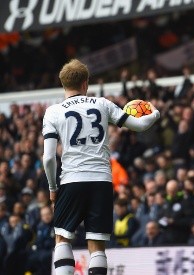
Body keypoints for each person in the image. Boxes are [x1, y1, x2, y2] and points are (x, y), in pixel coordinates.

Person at [42, 59, 160, 275]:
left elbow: (49, 157)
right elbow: (141, 125)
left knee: (62, 238)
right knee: (97, 247)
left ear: (62, 84)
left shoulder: (53, 112)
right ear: (86, 83)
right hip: (101, 181)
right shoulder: (102, 104)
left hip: (72, 180)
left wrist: (52, 187)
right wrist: (154, 112)